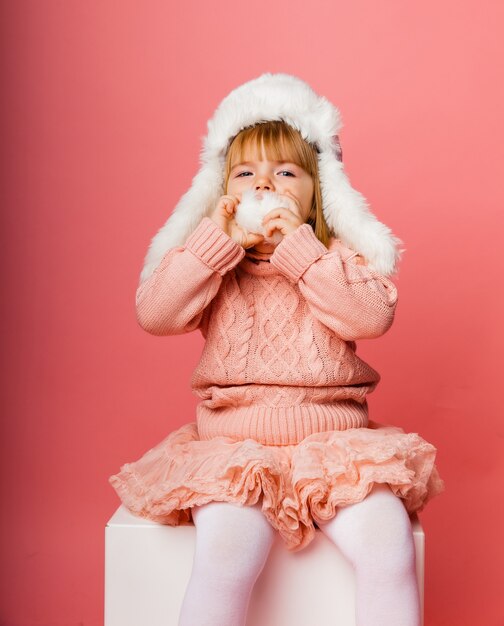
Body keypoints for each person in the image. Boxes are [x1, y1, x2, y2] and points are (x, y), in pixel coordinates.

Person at [109, 73, 445, 626]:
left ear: (320, 190)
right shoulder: (214, 261)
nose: (264, 187)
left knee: (388, 546)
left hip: (335, 444)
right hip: (236, 448)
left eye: (285, 172)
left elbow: (373, 316)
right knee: (226, 556)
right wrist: (211, 244)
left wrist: (301, 250)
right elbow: (156, 314)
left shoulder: (333, 255)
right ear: (222, 192)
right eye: (245, 174)